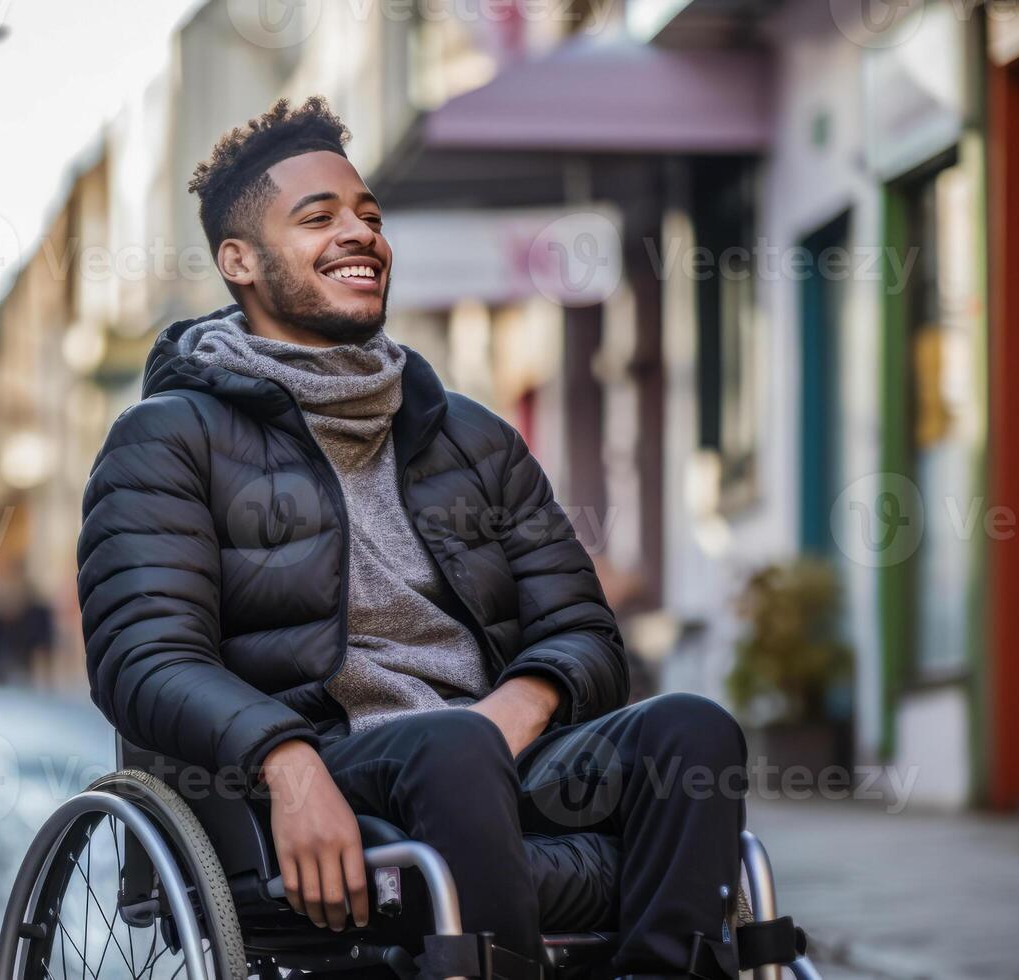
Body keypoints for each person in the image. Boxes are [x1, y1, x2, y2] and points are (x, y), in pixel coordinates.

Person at [75, 97, 748, 979]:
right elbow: (143, 657)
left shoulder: (471, 436)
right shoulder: (169, 439)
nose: (359, 233)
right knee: (451, 745)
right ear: (238, 260)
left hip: (497, 760)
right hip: (313, 773)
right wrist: (286, 761)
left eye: (369, 216)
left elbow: (582, 631)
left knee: (693, 730)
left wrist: (513, 710)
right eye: (318, 218)